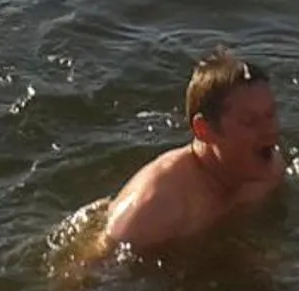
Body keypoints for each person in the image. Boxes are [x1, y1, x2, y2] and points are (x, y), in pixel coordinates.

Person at [96, 49, 284, 256]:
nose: (271, 131)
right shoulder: (154, 208)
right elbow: (94, 274)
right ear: (204, 130)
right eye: (250, 122)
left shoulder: (268, 169)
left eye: (270, 115)